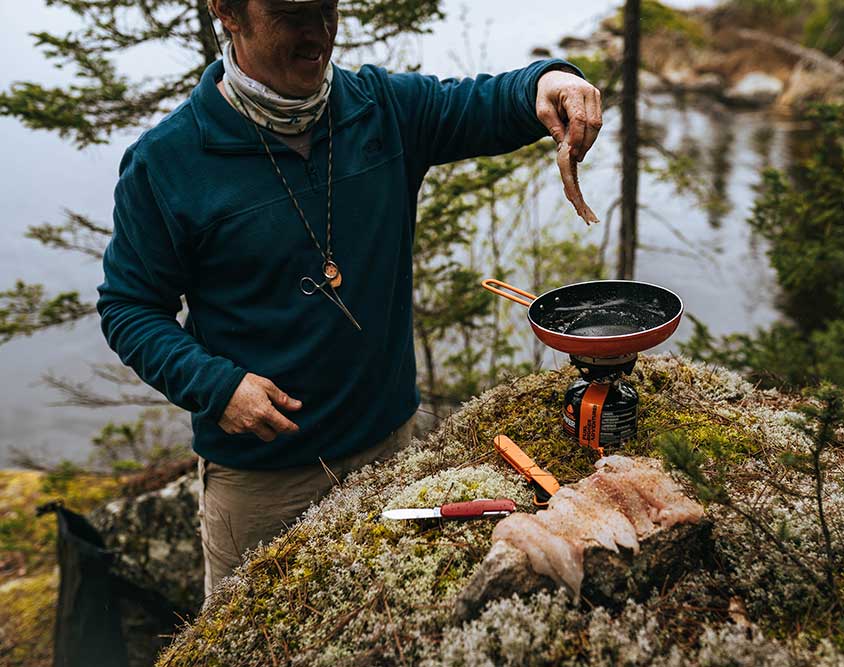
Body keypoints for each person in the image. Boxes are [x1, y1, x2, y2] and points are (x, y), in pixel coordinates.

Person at [96, 0, 603, 597]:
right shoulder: (168, 161)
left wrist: (550, 81)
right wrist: (215, 386)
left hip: (393, 452)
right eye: (292, 15)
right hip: (261, 484)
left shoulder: (380, 109)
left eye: (328, 10)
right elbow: (129, 307)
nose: (319, 35)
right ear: (228, 12)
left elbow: (487, 102)